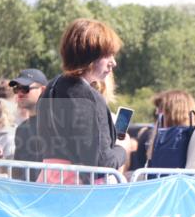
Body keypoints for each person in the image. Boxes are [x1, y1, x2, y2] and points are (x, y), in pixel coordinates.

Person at [35, 19, 132, 177]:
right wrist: (122, 148)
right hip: (82, 192)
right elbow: (102, 164)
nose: (113, 63)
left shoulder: (51, 88)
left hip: (49, 183)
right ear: (89, 55)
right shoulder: (89, 97)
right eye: (107, 55)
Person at [8, 69, 48, 179]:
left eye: (25, 88)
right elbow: (17, 171)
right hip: (27, 193)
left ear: (43, 90)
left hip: (52, 193)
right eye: (17, 89)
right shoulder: (21, 129)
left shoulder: (55, 125)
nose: (20, 94)